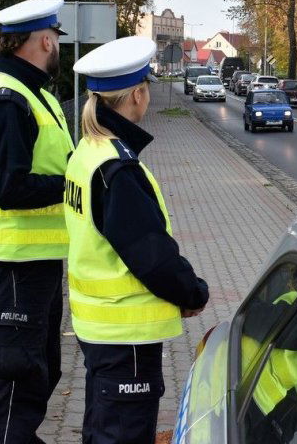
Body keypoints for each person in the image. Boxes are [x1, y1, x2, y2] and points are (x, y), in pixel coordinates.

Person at [65, 36, 210, 443]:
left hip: (99, 331)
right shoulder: (117, 169)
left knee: (101, 430)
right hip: (125, 337)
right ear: (138, 95)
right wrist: (193, 293)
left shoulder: (87, 152)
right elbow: (152, 255)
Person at [0, 0, 72, 443]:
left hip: (34, 262)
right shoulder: (7, 101)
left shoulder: (31, 94)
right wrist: (71, 185)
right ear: (45, 41)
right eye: (57, 39)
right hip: (13, 265)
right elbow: (7, 188)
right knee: (15, 378)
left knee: (39, 372)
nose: (58, 47)